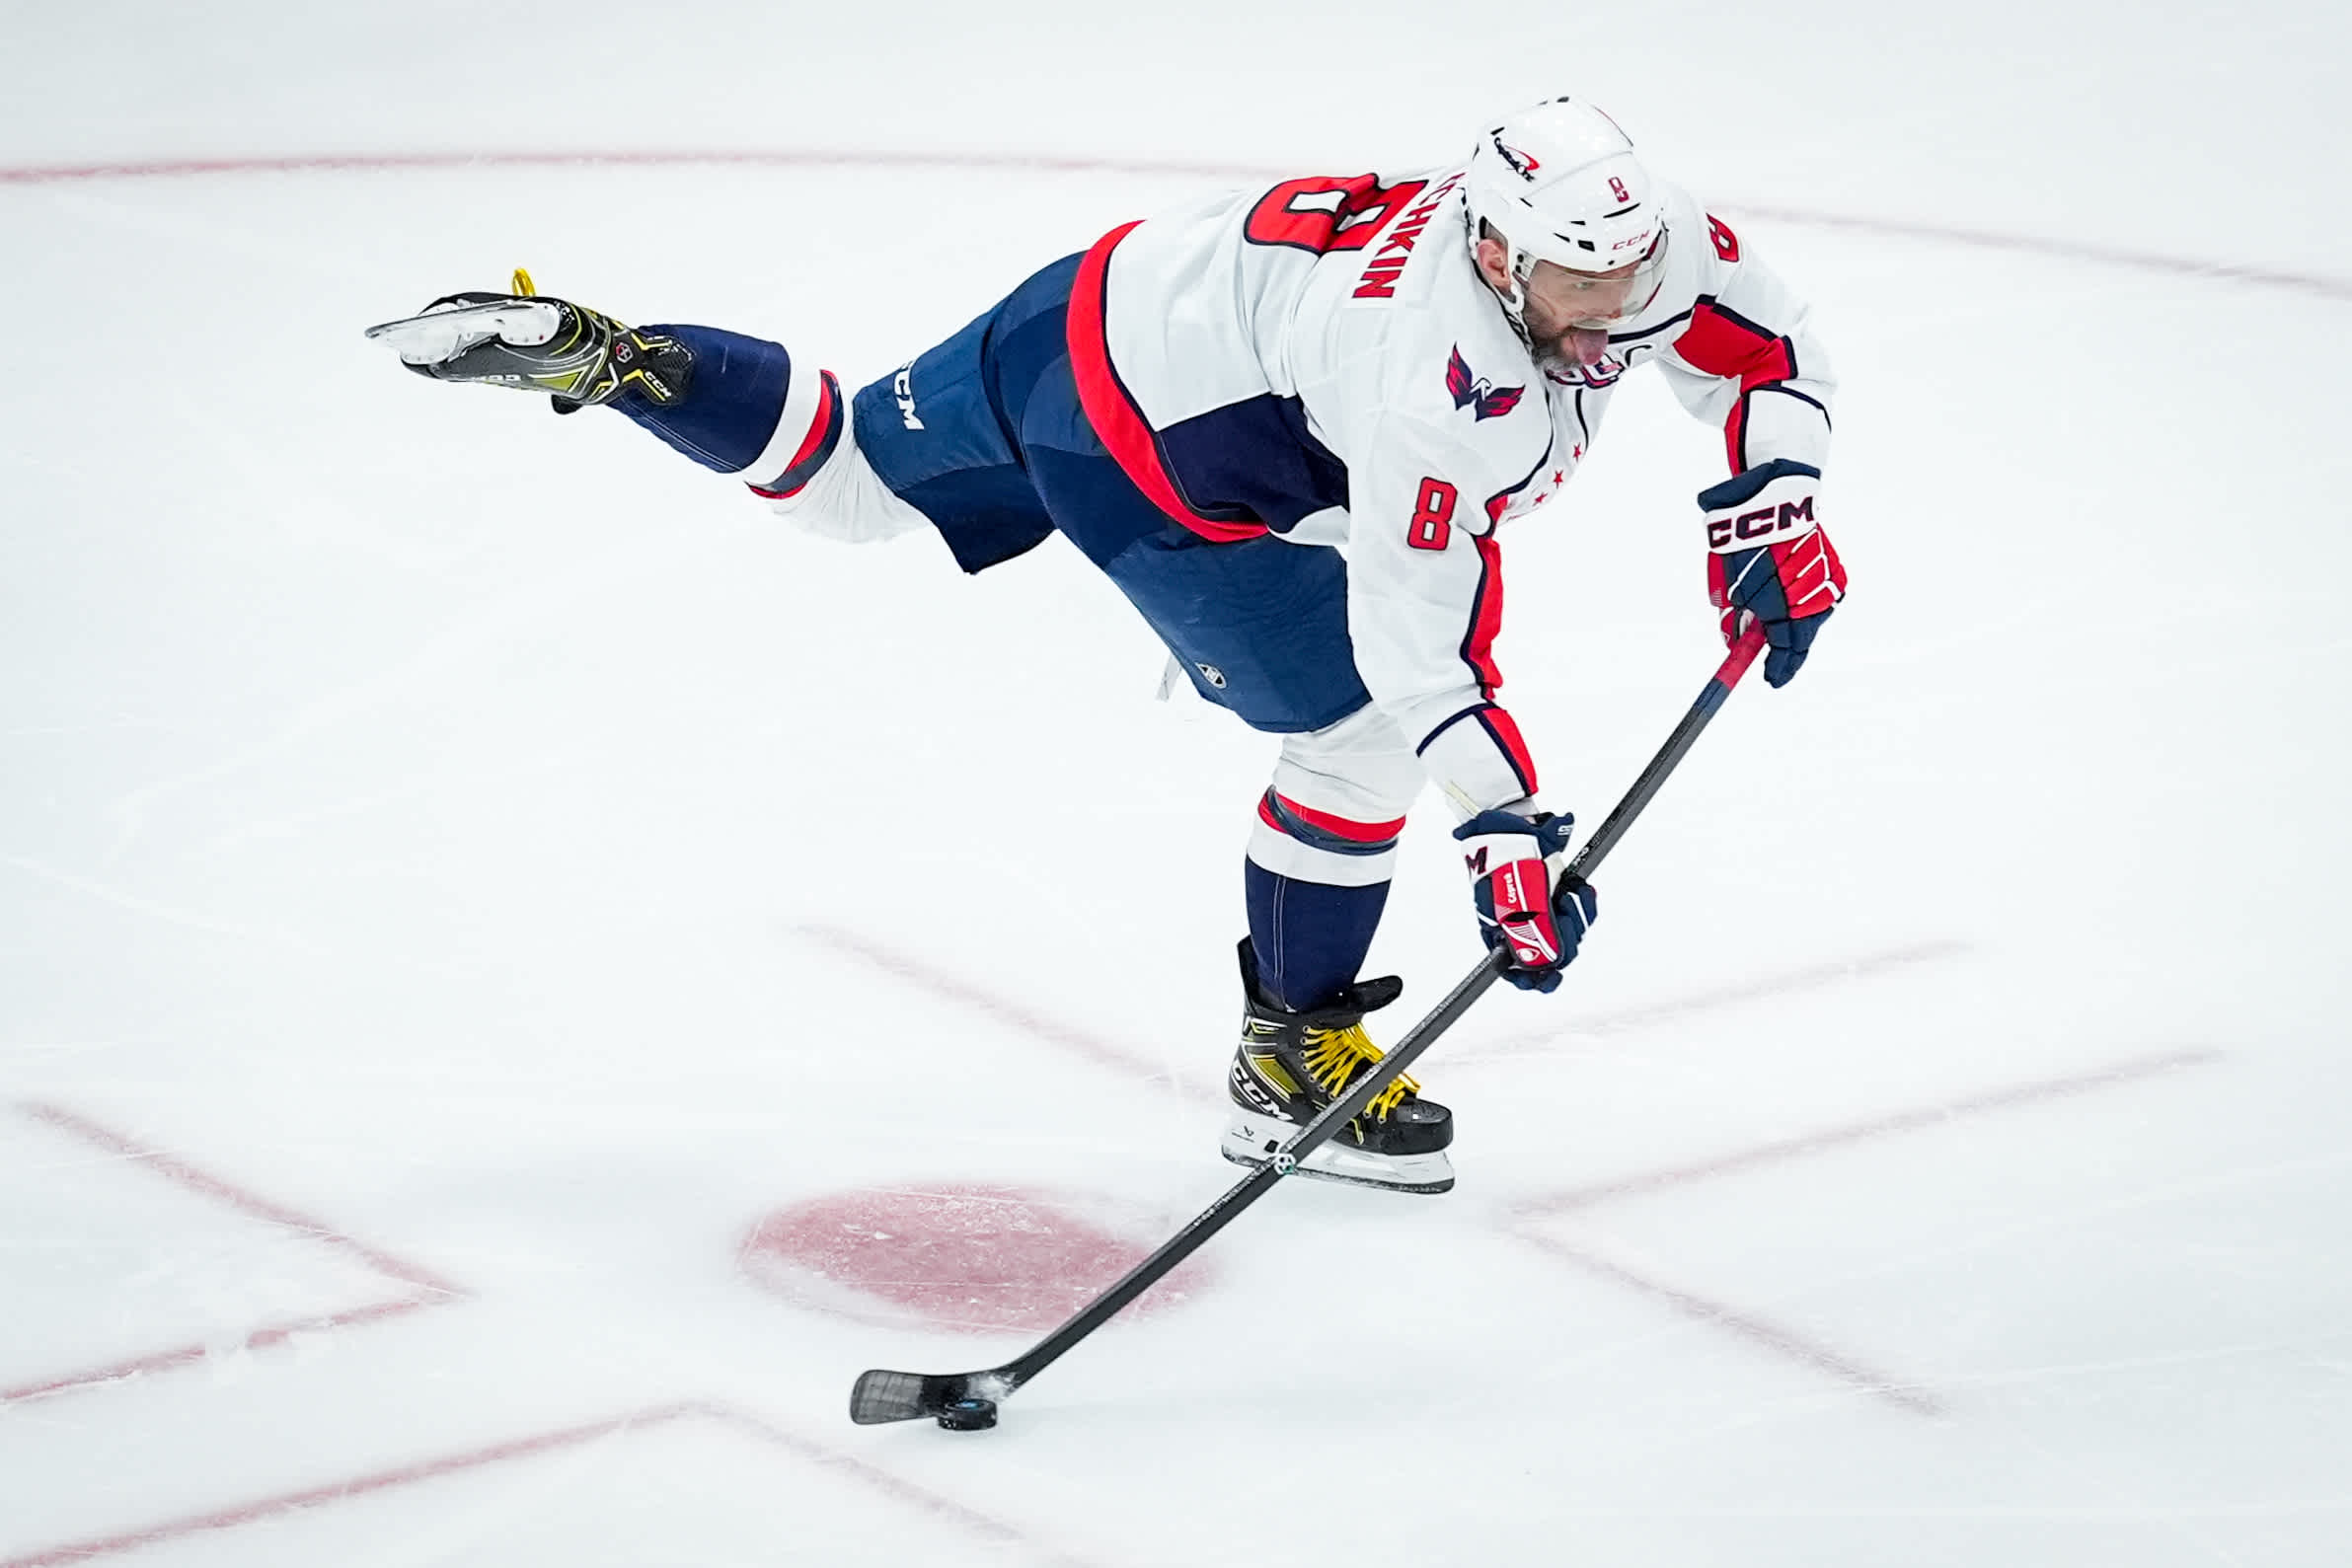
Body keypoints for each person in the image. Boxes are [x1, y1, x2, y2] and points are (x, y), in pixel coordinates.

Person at [367, 97, 1846, 1196]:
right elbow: (1420, 642)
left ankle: (621, 360)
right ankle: (1288, 1053)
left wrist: (1770, 495)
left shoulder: (1629, 241)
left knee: (847, 479)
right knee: (1356, 731)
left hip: (1094, 301)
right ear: (1500, 252)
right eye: (1586, 290)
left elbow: (1760, 348)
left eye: (1630, 270)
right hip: (1154, 448)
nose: (1622, 310)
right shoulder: (1437, 381)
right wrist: (1503, 836)